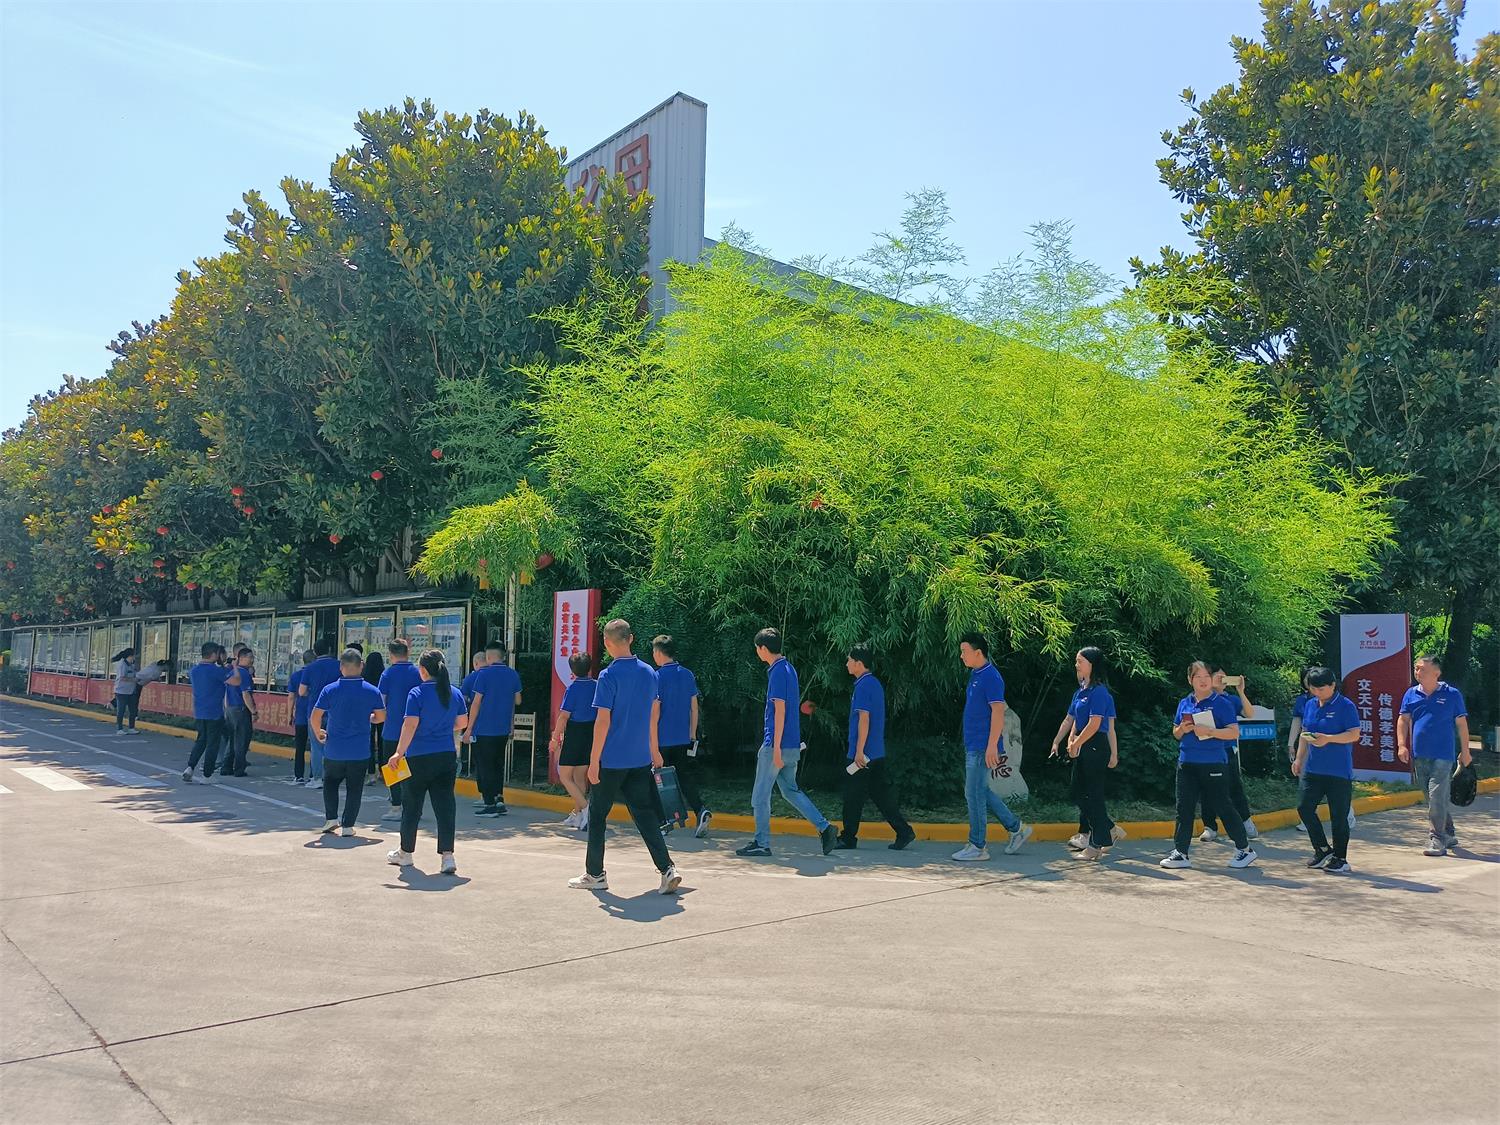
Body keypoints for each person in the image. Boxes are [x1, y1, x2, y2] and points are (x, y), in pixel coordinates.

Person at [568, 619, 682, 894]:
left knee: (598, 815)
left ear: (607, 643)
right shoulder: (649, 673)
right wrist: (654, 750)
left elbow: (602, 721)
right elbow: (653, 716)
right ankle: (667, 869)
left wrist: (593, 761)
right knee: (644, 814)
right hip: (639, 757)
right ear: (630, 639)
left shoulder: (608, 676)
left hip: (611, 759)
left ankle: (595, 874)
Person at [736, 627, 838, 858]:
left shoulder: (777, 672)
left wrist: (776, 749)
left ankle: (762, 843)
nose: (757, 652)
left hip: (777, 745)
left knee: (759, 797)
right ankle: (825, 828)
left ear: (763, 648)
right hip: (791, 743)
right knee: (790, 791)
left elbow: (779, 711)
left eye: (757, 648)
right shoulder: (788, 668)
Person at [1160, 662, 1258, 869]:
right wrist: (1183, 729)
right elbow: (1176, 733)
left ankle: (1245, 849)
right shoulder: (1185, 702)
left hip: (1213, 762)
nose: (1203, 681)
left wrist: (1210, 731)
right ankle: (1181, 853)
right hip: (1186, 762)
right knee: (1184, 808)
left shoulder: (1222, 703)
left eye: (1206, 676)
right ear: (1190, 680)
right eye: (1198, 677)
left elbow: (1233, 732)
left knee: (1223, 805)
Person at [385, 649, 467, 875]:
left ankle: (406, 853)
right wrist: (442, 728)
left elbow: (410, 725)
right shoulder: (454, 693)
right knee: (445, 806)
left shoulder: (416, 693)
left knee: (412, 807)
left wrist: (398, 752)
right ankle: (447, 856)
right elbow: (462, 722)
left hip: (418, 757)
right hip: (446, 755)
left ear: (422, 670)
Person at [951, 634, 1031, 861]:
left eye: (964, 651)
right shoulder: (976, 675)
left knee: (973, 793)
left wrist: (992, 746)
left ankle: (978, 846)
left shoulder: (991, 677)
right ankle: (1016, 828)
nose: (961, 655)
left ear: (978, 652)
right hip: (974, 744)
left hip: (983, 746)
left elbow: (998, 713)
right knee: (980, 791)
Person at [835, 644, 915, 851]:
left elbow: (864, 719)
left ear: (858, 663)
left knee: (852, 796)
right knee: (880, 795)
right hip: (876, 752)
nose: (846, 664)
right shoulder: (874, 684)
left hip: (863, 754)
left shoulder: (863, 686)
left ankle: (848, 838)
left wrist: (859, 751)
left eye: (849, 660)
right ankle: (904, 831)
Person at [1398, 654, 1472, 857]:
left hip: (1443, 754)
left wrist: (1465, 752)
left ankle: (1437, 839)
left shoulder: (1452, 694)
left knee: (1436, 795)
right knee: (1430, 796)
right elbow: (1403, 720)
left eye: (1422, 669)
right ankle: (1448, 832)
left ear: (1436, 672)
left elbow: (1461, 724)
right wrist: (1401, 745)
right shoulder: (1411, 694)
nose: (1417, 672)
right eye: (1416, 668)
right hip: (1420, 754)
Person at [1050, 646, 1117, 861]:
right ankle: (1107, 832)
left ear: (1092, 664)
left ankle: (1096, 844)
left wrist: (1077, 743)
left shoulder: (1099, 692)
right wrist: (1060, 740)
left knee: (1092, 795)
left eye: (1080, 661)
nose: (1076, 665)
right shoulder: (1080, 692)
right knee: (1079, 793)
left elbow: (1095, 724)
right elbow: (1071, 720)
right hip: (1082, 743)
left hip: (1095, 745)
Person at [1292, 666, 1361, 874]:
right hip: (1313, 769)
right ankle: (1322, 848)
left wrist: (1328, 739)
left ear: (1332, 685)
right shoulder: (1310, 704)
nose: (1317, 693)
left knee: (1338, 816)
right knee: (1304, 808)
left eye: (1321, 689)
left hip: (1338, 770)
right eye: (1313, 689)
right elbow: (1305, 733)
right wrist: (1299, 758)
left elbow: (1354, 734)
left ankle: (1341, 858)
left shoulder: (1345, 706)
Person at [310, 649, 386, 836]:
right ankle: (348, 826)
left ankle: (331, 819)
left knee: (330, 784)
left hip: (334, 749)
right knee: (355, 788)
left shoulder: (330, 690)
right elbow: (381, 717)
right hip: (359, 751)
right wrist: (369, 718)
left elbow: (315, 716)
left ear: (341, 667)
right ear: (361, 666)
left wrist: (318, 732)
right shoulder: (372, 691)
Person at [650, 635, 711, 837]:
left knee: (659, 781)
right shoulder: (687, 674)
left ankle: (665, 822)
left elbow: (655, 712)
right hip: (684, 738)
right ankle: (700, 810)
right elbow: (694, 707)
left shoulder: (657, 677)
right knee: (684, 777)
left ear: (659, 653)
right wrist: (692, 735)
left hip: (662, 738)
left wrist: (652, 743)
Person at [1197, 668, 1259, 843]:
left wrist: (1241, 691)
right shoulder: (1201, 698)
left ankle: (1245, 821)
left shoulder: (1230, 699)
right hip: (1207, 750)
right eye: (1218, 676)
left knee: (1234, 786)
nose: (1222, 679)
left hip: (1227, 749)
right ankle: (1210, 826)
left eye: (1224, 676)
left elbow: (1249, 713)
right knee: (1207, 789)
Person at [465, 642, 522, 816]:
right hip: (503, 729)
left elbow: (476, 703)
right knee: (498, 764)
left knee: (485, 766)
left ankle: (489, 803)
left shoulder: (483, 674)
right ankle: (499, 799)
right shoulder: (512, 674)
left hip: (483, 728)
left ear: (489, 657)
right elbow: (517, 700)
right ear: (503, 656)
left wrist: (469, 729)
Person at [549, 652, 596, 830]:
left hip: (575, 732)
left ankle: (585, 808)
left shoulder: (573, 688)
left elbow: (563, 716)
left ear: (572, 671)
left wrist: (555, 738)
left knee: (565, 776)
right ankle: (577, 815)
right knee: (579, 776)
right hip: (591, 732)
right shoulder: (597, 686)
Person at [377, 640, 423, 822]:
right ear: (408, 652)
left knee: (393, 770)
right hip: (415, 730)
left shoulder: (387, 674)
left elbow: (381, 701)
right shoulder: (418, 672)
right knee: (413, 771)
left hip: (392, 729)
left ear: (391, 654)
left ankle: (396, 806)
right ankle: (414, 808)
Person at [182, 642, 242, 781]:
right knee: (212, 744)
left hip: (199, 712)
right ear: (214, 654)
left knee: (201, 740)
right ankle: (207, 775)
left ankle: (190, 767)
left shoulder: (194, 670)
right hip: (214, 712)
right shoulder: (216, 671)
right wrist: (235, 667)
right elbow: (236, 681)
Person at [298, 639, 341, 789]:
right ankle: (333, 776)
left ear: (315, 652)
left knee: (316, 746)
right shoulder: (338, 665)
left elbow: (301, 691)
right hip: (334, 711)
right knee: (333, 744)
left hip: (315, 711)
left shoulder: (310, 668)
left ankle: (317, 778)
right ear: (329, 649)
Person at [220, 646, 258, 777]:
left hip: (230, 708)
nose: (252, 660)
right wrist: (253, 711)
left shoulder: (232, 673)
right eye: (250, 657)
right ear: (241, 658)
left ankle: (226, 767)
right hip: (240, 709)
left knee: (232, 739)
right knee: (242, 740)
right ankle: (239, 769)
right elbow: (246, 694)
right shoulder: (243, 674)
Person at [111, 647, 163, 735]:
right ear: (130, 656)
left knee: (133, 710)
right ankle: (119, 729)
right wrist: (134, 680)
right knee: (121, 710)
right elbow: (122, 678)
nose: (134, 658)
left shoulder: (132, 665)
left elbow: (136, 674)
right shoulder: (122, 665)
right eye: (134, 656)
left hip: (131, 690)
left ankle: (131, 728)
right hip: (121, 691)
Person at [287, 649, 316, 785]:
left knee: (300, 747)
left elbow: (291, 697)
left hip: (300, 715)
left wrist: (289, 714)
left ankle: (298, 775)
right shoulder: (316, 675)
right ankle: (313, 775)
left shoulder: (296, 676)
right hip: (315, 716)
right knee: (315, 748)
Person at [458, 650, 489, 777]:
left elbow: (463, 700)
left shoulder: (469, 678)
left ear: (475, 663)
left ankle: (467, 767)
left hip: (473, 719)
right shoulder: (493, 677)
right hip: (491, 720)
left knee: (468, 744)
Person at [361, 649, 386, 785]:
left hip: (367, 713)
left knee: (369, 743)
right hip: (382, 712)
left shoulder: (364, 677)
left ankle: (371, 773)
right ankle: (383, 772)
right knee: (383, 742)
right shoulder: (384, 676)